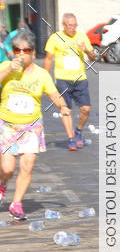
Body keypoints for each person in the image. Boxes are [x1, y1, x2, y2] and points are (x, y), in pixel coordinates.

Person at [0, 29, 73, 219]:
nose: (22, 54)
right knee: (7, 169)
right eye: (17, 50)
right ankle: (2, 184)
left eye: (26, 50)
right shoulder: (5, 66)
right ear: (12, 52)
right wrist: (9, 70)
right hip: (7, 125)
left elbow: (54, 94)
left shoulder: (41, 74)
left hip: (31, 126)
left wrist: (62, 106)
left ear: (33, 53)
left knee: (28, 164)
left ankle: (16, 204)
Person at [44, 13, 95, 150]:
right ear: (63, 25)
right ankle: (71, 139)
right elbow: (48, 58)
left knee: (86, 109)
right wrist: (45, 77)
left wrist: (87, 51)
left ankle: (78, 130)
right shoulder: (55, 38)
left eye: (74, 25)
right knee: (65, 109)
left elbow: (93, 56)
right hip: (62, 79)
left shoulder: (81, 36)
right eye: (70, 25)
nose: (73, 28)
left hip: (80, 79)